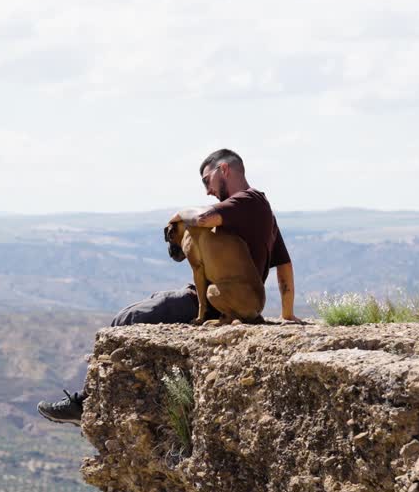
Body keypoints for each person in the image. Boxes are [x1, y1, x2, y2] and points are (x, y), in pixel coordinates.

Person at [37, 148, 300, 424]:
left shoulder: (247, 201)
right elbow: (283, 265)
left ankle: (86, 403)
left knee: (129, 318)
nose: (208, 191)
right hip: (223, 300)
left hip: (212, 303)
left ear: (224, 170)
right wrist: (286, 315)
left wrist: (178, 213)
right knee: (148, 303)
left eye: (206, 180)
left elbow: (201, 219)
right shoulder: (262, 211)